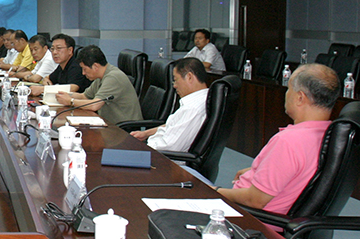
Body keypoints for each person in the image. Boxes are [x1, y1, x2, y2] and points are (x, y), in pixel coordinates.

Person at [216, 64, 339, 214]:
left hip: (248, 216)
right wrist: (258, 170)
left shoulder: (289, 142)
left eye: (289, 89)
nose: (286, 94)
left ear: (300, 98)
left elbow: (255, 200)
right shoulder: (329, 134)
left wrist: (215, 191)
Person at [130, 57, 209, 152]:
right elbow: (171, 126)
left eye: (175, 80)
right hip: (157, 149)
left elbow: (168, 147)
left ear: (189, 77)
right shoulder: (202, 99)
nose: (174, 85)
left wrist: (139, 148)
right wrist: (146, 133)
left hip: (160, 156)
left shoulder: (192, 109)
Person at [54, 45, 143, 125]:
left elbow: (95, 105)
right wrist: (62, 94)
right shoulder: (100, 77)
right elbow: (84, 96)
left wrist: (71, 101)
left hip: (123, 128)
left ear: (95, 66)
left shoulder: (113, 77)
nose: (83, 73)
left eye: (84, 69)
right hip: (108, 123)